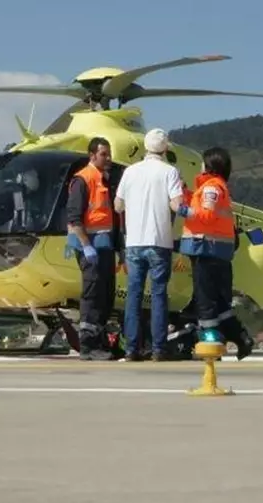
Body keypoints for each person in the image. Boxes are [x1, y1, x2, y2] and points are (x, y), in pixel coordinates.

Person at [175, 146, 254, 360]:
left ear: (209, 165)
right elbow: (202, 206)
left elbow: (206, 216)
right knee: (219, 301)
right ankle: (240, 338)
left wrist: (180, 209)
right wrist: (184, 192)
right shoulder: (214, 188)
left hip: (206, 249)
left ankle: (211, 339)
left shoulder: (212, 188)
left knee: (205, 299)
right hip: (217, 250)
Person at [114, 128, 185, 361]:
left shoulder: (130, 171)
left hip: (134, 242)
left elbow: (117, 205)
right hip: (159, 241)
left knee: (133, 295)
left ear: (146, 147)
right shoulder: (170, 172)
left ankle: (131, 349)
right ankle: (158, 349)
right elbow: (176, 205)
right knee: (158, 295)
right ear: (165, 149)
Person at [66, 136, 120, 361]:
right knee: (92, 295)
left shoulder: (103, 180)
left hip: (104, 246)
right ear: (92, 155)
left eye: (109, 154)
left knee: (105, 296)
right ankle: (88, 345)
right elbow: (74, 218)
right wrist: (86, 246)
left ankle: (100, 341)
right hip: (91, 248)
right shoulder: (83, 179)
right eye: (103, 154)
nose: (108, 158)